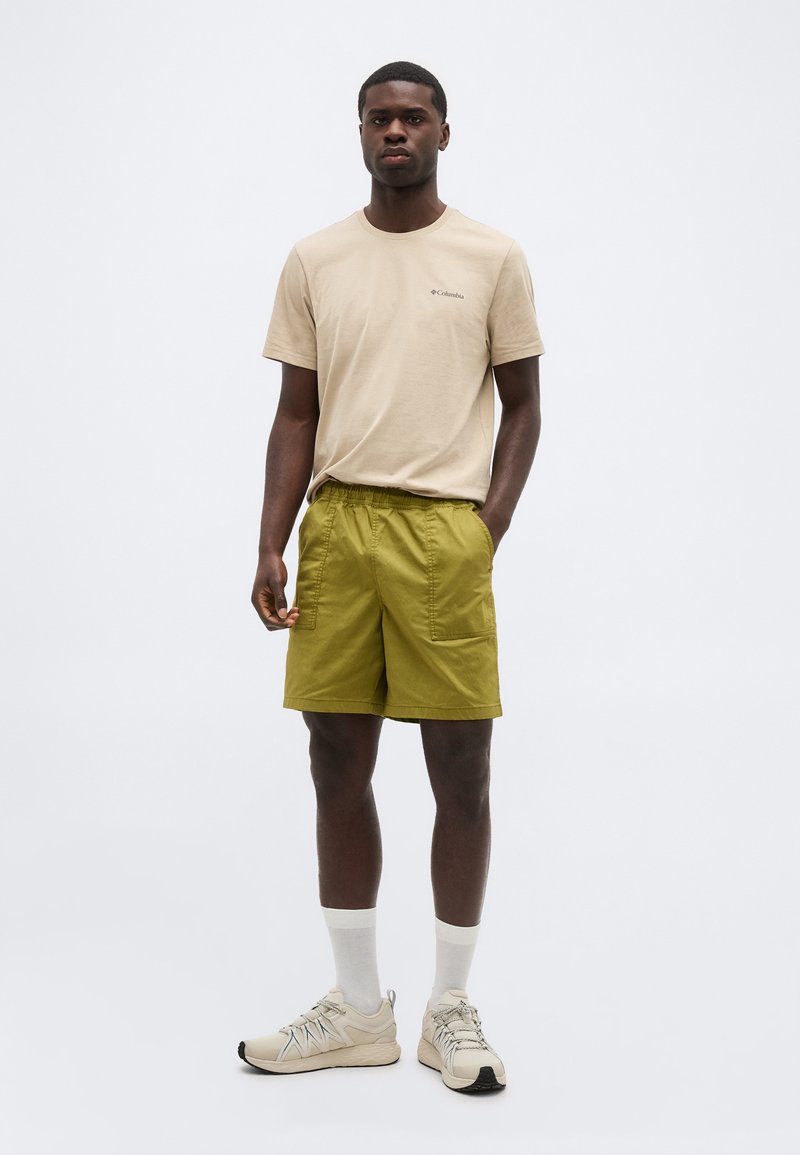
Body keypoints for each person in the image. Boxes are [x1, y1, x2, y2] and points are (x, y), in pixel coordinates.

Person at [239, 60, 544, 1095]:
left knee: (461, 767)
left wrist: (485, 529)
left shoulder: (491, 255)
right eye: (379, 118)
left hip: (442, 534)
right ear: (360, 132)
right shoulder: (316, 258)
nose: (396, 131)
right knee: (335, 760)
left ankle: (450, 1006)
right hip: (338, 529)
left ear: (444, 133)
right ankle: (360, 1008)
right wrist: (272, 539)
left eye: (414, 117)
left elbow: (523, 403)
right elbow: (295, 413)